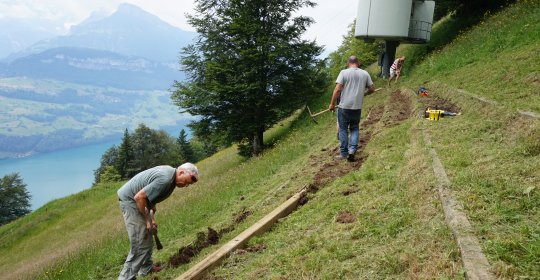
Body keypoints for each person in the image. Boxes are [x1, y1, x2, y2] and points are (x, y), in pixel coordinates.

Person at [117, 162, 199, 279]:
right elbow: (139, 197)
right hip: (131, 200)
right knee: (140, 242)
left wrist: (152, 218)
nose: (186, 185)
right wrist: (147, 221)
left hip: (139, 200)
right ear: (181, 172)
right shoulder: (165, 179)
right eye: (186, 182)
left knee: (147, 234)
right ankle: (125, 278)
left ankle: (146, 268)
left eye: (188, 184)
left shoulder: (171, 179)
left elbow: (151, 197)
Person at [329, 56, 375, 162]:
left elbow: (337, 89)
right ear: (358, 63)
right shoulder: (365, 73)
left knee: (343, 129)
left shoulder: (343, 72)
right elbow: (372, 89)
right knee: (354, 128)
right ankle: (352, 150)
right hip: (357, 107)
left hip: (344, 107)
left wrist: (332, 104)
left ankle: (344, 153)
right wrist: (365, 93)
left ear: (348, 63)